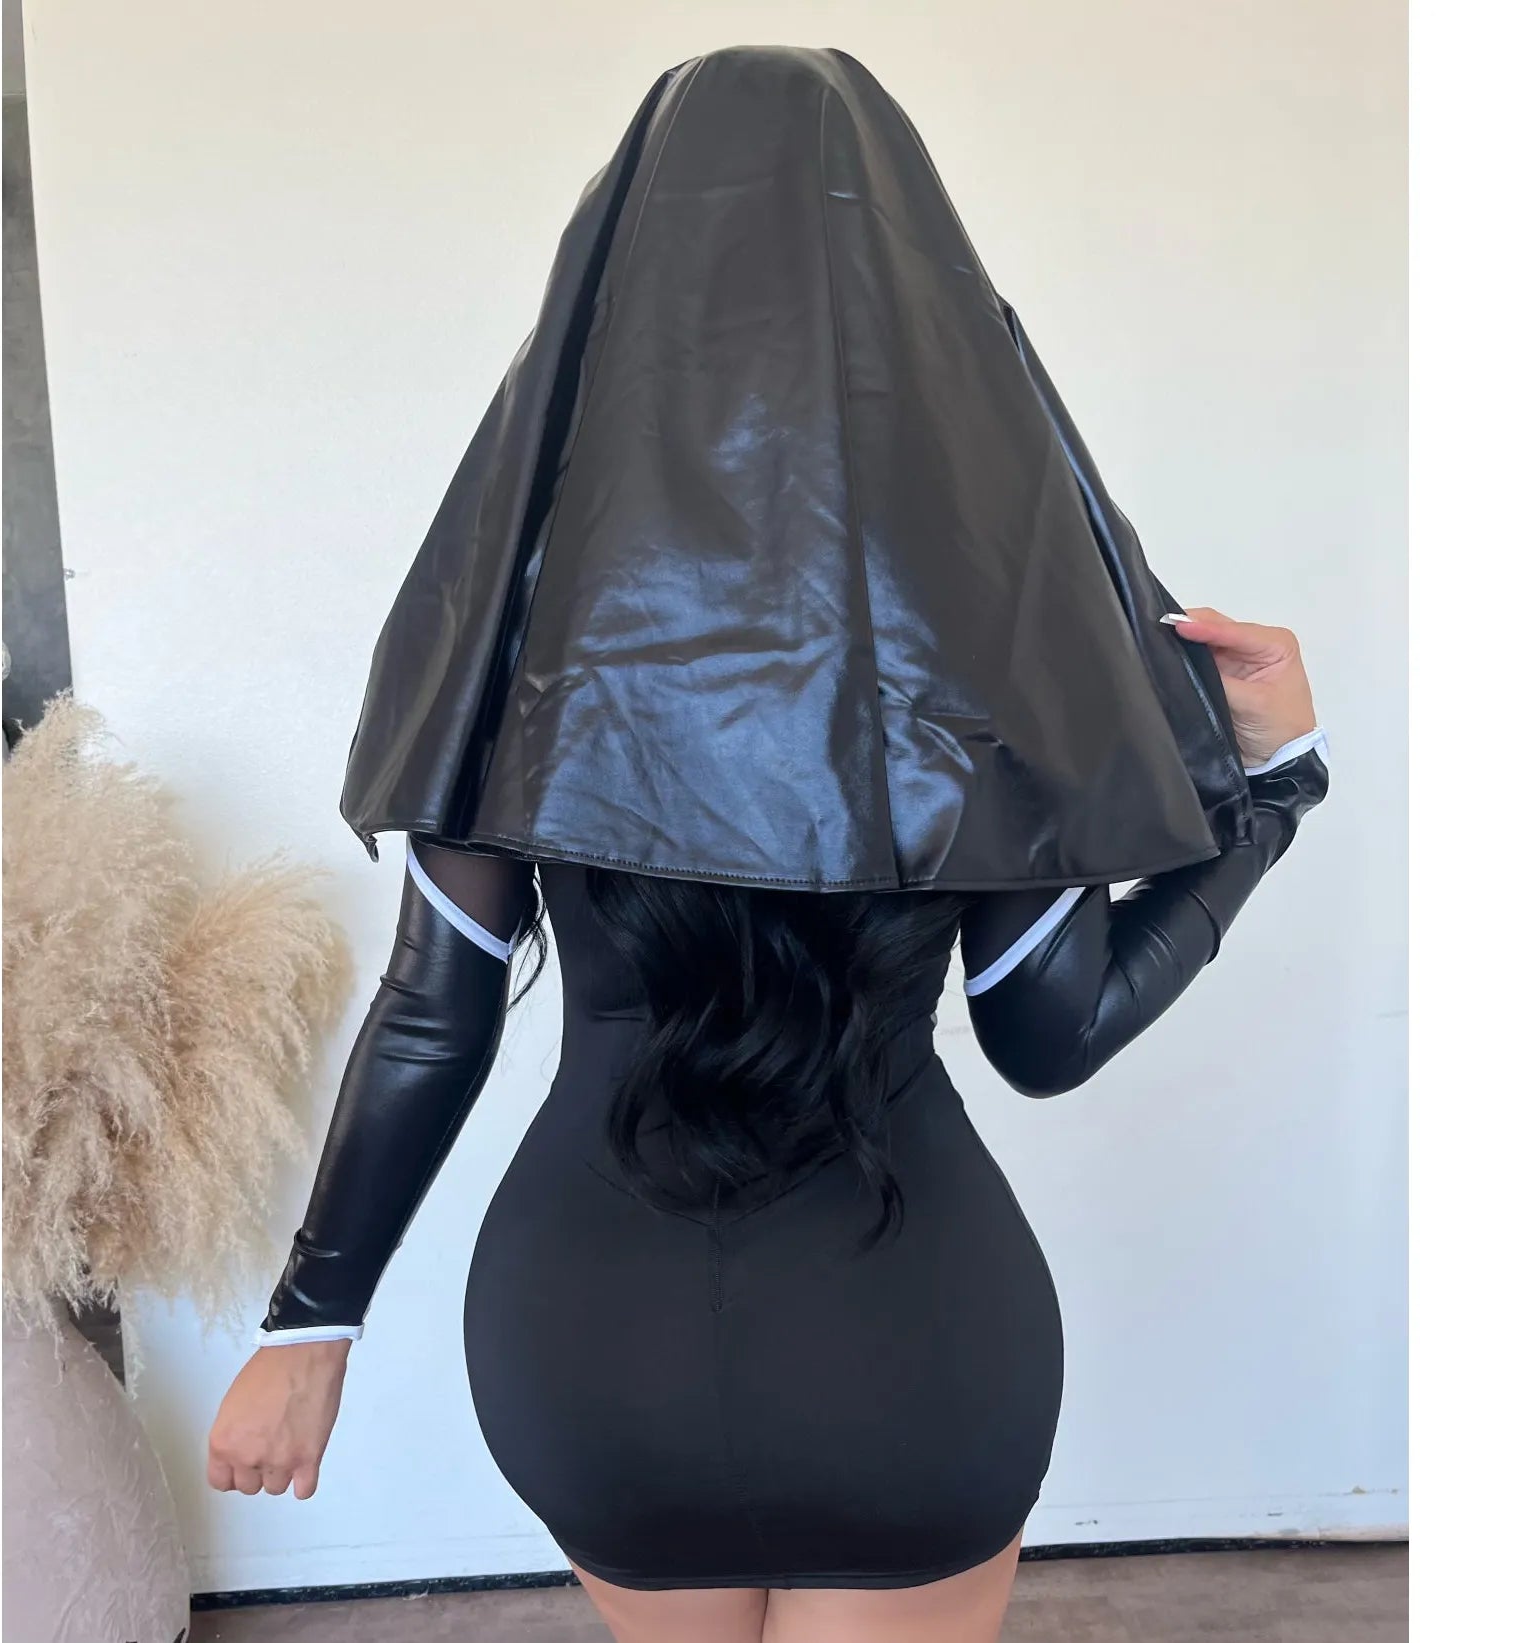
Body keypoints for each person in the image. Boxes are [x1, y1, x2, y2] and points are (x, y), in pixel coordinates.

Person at [208, 46, 1332, 1643]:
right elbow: (1051, 1035)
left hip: (593, 1346)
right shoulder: (986, 632)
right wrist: (1275, 790)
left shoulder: (518, 620)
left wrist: (310, 1324)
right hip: (909, 1345)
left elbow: (431, 1016)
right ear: (915, 295)